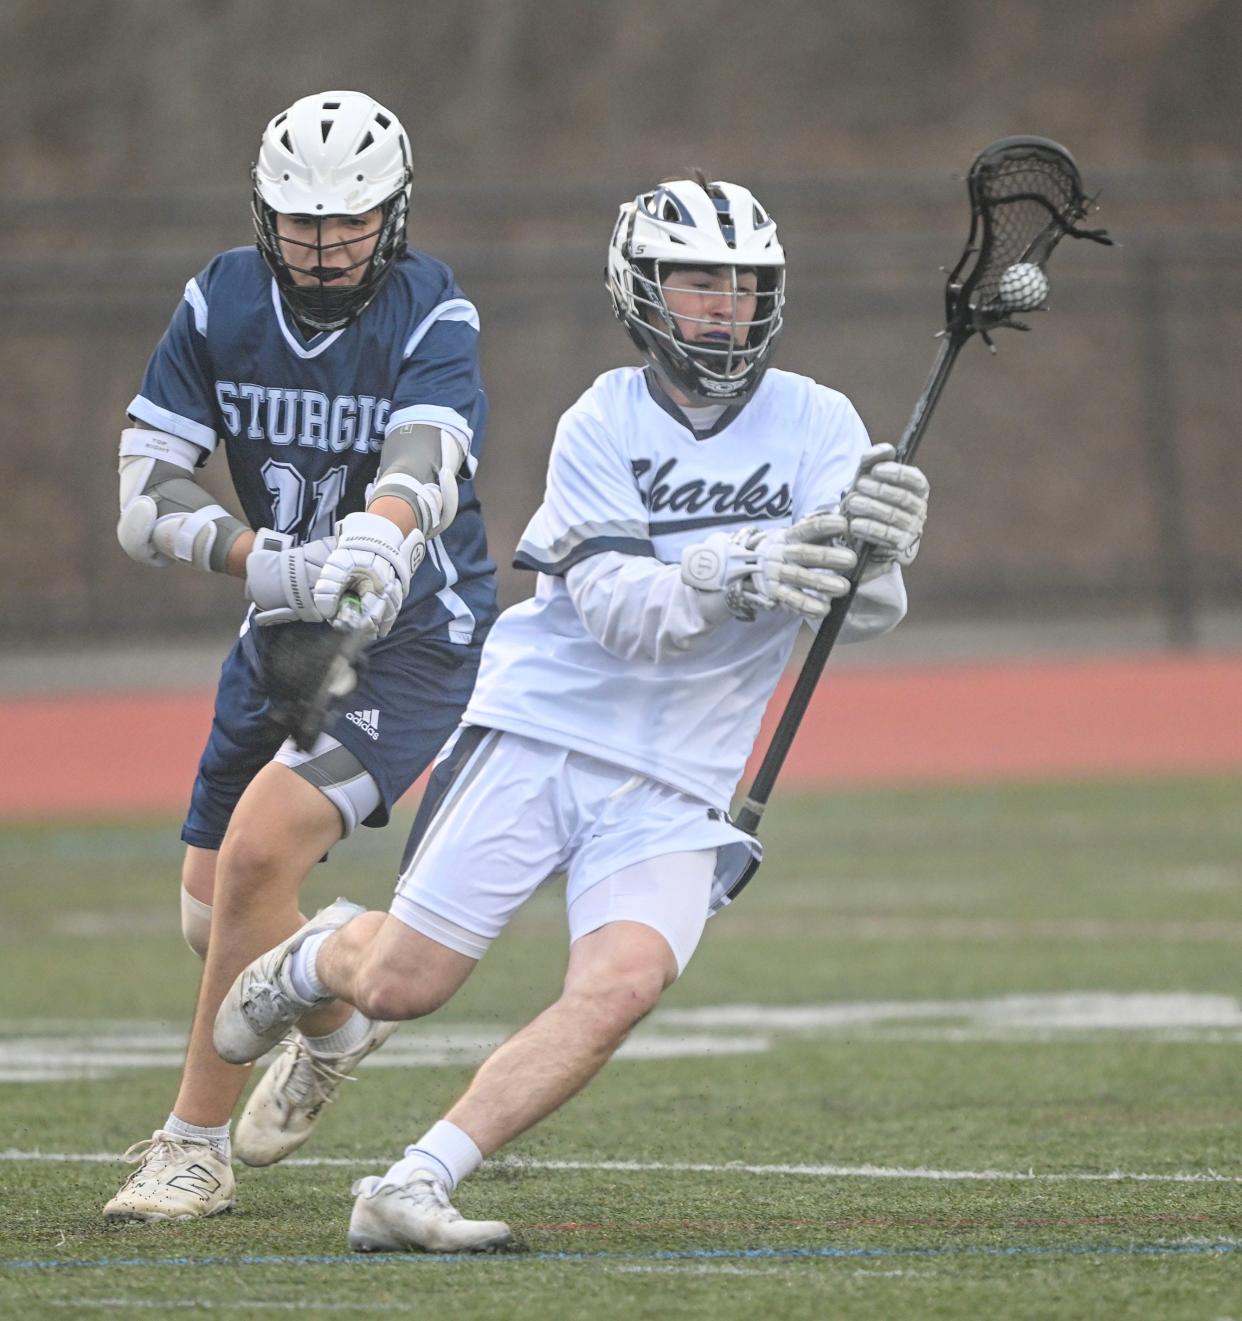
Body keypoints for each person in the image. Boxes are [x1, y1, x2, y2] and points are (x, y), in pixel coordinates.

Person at [213, 173, 930, 1252]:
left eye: (744, 283)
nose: (725, 304)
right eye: (698, 280)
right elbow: (615, 607)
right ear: (643, 290)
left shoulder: (820, 418)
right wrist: (748, 561)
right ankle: (313, 960)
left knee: (623, 983)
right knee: (403, 985)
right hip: (544, 731)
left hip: (684, 774)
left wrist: (875, 553)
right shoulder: (602, 416)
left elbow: (860, 611)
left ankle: (411, 1185)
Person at [102, 90, 497, 1222]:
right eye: (302, 222)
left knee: (257, 857)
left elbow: (427, 455)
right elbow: (142, 498)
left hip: (414, 631)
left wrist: (377, 534)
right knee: (208, 915)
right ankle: (334, 1011)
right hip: (283, 623)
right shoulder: (220, 298)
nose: (324, 247)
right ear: (265, 213)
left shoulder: (432, 305)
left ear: (396, 212)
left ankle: (192, 1147)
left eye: (350, 222)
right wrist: (267, 563)